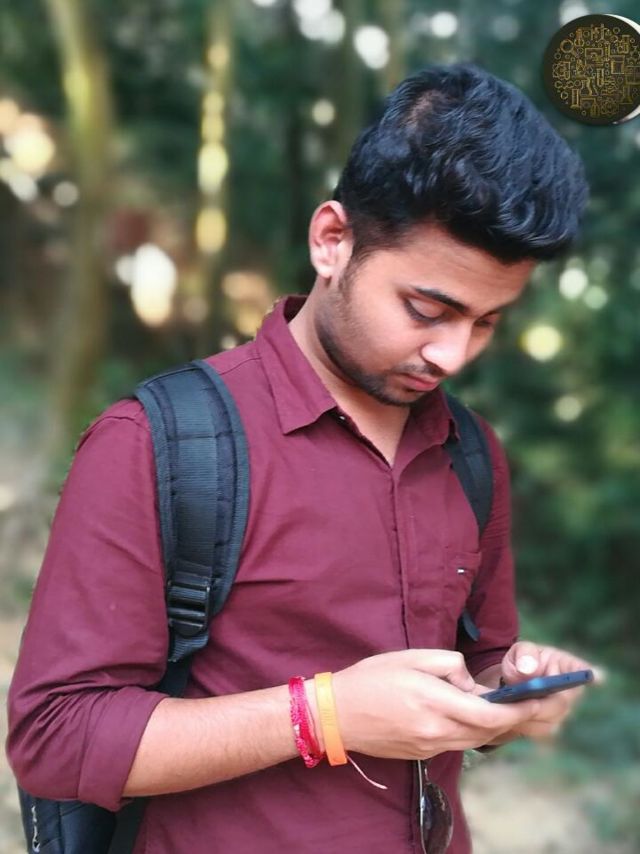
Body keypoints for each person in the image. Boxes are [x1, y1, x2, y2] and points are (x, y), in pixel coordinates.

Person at [7, 63, 595, 854]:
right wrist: (322, 715)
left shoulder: (470, 455)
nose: (453, 354)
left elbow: (477, 664)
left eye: (487, 322)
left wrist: (509, 692)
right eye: (428, 309)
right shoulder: (158, 442)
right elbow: (55, 735)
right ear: (332, 241)